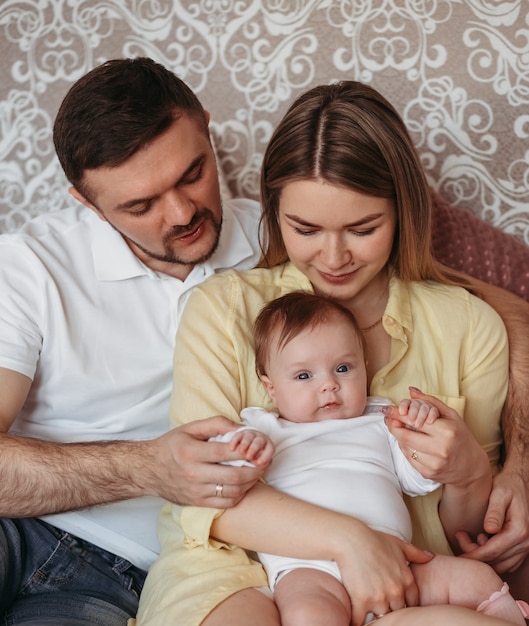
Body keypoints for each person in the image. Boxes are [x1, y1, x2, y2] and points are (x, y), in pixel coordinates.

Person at [135, 79, 529, 626]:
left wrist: (466, 474)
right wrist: (350, 541)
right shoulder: (224, 309)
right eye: (306, 228)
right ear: (274, 212)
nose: (334, 256)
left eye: (363, 228)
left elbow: (466, 531)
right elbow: (204, 491)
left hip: (412, 577)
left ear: (402, 210)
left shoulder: (466, 323)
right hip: (235, 564)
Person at [0, 57, 269, 625]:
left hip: (128, 576)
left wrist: (514, 461)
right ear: (87, 203)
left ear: (208, 127)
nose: (182, 214)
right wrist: (145, 468)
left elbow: (492, 305)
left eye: (192, 173)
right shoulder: (29, 266)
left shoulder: (289, 239)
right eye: (140, 206)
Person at [218, 291, 528, 626]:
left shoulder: (380, 419)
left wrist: (422, 425)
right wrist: (244, 449)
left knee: (479, 579)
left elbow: (418, 480)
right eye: (304, 376)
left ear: (363, 368)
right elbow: (223, 482)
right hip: (310, 566)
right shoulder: (263, 427)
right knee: (309, 616)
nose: (329, 386)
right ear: (271, 387)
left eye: (342, 368)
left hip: (396, 560)